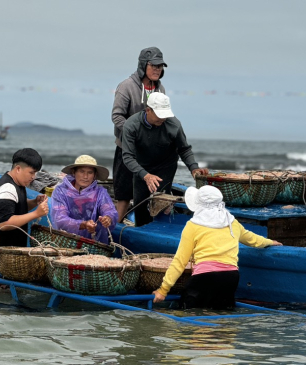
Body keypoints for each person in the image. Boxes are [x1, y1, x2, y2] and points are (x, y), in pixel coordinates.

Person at [152, 185, 282, 309]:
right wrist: (269, 242)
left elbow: (180, 261)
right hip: (231, 278)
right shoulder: (232, 223)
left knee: (186, 315)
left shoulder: (192, 226)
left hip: (204, 278)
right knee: (223, 325)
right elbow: (251, 239)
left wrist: (163, 290)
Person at [121, 92, 208, 227]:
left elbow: (184, 149)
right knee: (141, 205)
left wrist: (194, 167)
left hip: (166, 166)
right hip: (142, 167)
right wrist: (145, 175)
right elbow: (127, 157)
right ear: (148, 110)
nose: (163, 118)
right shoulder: (131, 125)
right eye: (159, 115)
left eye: (165, 114)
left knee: (162, 202)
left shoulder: (174, 125)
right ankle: (142, 233)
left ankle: (163, 228)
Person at [111, 46, 168, 223]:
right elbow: (116, 116)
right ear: (143, 65)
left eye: (160, 66)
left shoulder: (160, 90)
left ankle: (143, 228)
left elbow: (163, 117)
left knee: (147, 193)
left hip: (149, 151)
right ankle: (115, 229)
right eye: (153, 66)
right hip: (127, 147)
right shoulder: (126, 86)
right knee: (123, 194)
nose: (157, 70)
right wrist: (134, 132)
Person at [0, 148, 49, 288]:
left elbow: (16, 208)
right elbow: (5, 223)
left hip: (8, 258)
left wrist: (34, 202)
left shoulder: (17, 184)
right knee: (0, 302)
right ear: (18, 169)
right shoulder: (7, 188)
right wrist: (36, 214)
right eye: (31, 172)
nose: (33, 177)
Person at [50, 155, 118, 243]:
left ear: (94, 175)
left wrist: (108, 218)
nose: (85, 176)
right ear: (74, 172)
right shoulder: (61, 191)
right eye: (82, 171)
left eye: (90, 173)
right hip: (65, 241)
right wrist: (83, 224)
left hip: (95, 243)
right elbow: (60, 219)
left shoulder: (100, 192)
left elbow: (109, 209)